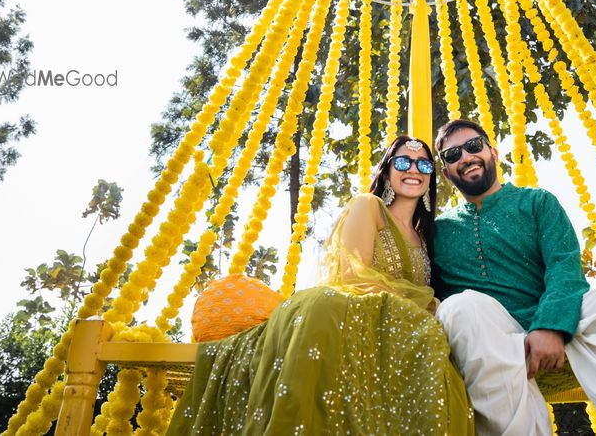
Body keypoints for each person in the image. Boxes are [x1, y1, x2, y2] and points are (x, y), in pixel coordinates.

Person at [166, 135, 474, 435]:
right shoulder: (369, 207)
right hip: (360, 309)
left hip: (407, 327)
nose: (414, 170)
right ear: (387, 169)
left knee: (437, 341)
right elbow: (352, 272)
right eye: (404, 161)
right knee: (323, 307)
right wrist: (412, 305)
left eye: (424, 165)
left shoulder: (427, 238)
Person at [432, 119, 596, 436]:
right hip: (490, 333)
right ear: (446, 172)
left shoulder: (537, 202)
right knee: (459, 307)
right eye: (453, 155)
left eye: (474, 146)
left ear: (493, 152)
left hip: (556, 314)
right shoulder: (438, 231)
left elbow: (564, 265)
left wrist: (550, 326)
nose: (466, 157)